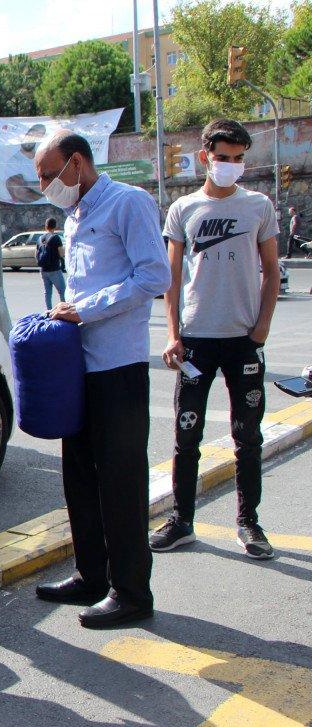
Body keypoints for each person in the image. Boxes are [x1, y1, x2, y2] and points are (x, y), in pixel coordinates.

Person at [31, 131, 170, 629]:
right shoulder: (74, 216)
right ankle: (92, 575)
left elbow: (154, 277)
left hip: (118, 368)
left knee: (120, 483)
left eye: (49, 175)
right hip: (79, 367)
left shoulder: (128, 203)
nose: (45, 186)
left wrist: (84, 309)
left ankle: (131, 591)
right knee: (80, 479)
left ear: (76, 163)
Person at [150, 119, 281, 559]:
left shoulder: (258, 205)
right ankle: (181, 521)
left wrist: (261, 327)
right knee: (186, 436)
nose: (231, 165)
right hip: (196, 341)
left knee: (248, 437)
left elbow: (272, 271)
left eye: (239, 158)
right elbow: (171, 278)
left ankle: (249, 523)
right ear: (205, 156)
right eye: (223, 157)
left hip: (243, 340)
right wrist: (173, 334)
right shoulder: (183, 208)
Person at [36, 217, 66, 309]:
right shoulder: (56, 238)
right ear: (55, 226)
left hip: (43, 269)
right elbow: (61, 253)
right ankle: (64, 310)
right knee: (62, 291)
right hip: (54, 269)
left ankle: (48, 311)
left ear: (46, 226)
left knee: (47, 292)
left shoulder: (40, 238)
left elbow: (36, 254)